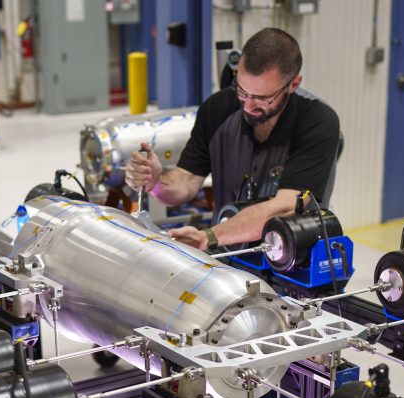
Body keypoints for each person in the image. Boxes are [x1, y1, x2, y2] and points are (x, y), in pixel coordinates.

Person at [123, 27, 340, 251]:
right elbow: (186, 182)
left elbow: (286, 207)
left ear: (293, 85)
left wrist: (209, 236)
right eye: (242, 91)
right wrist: (157, 181)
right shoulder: (218, 109)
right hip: (226, 253)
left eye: (261, 98)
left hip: (293, 262)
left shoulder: (317, 121)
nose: (247, 106)